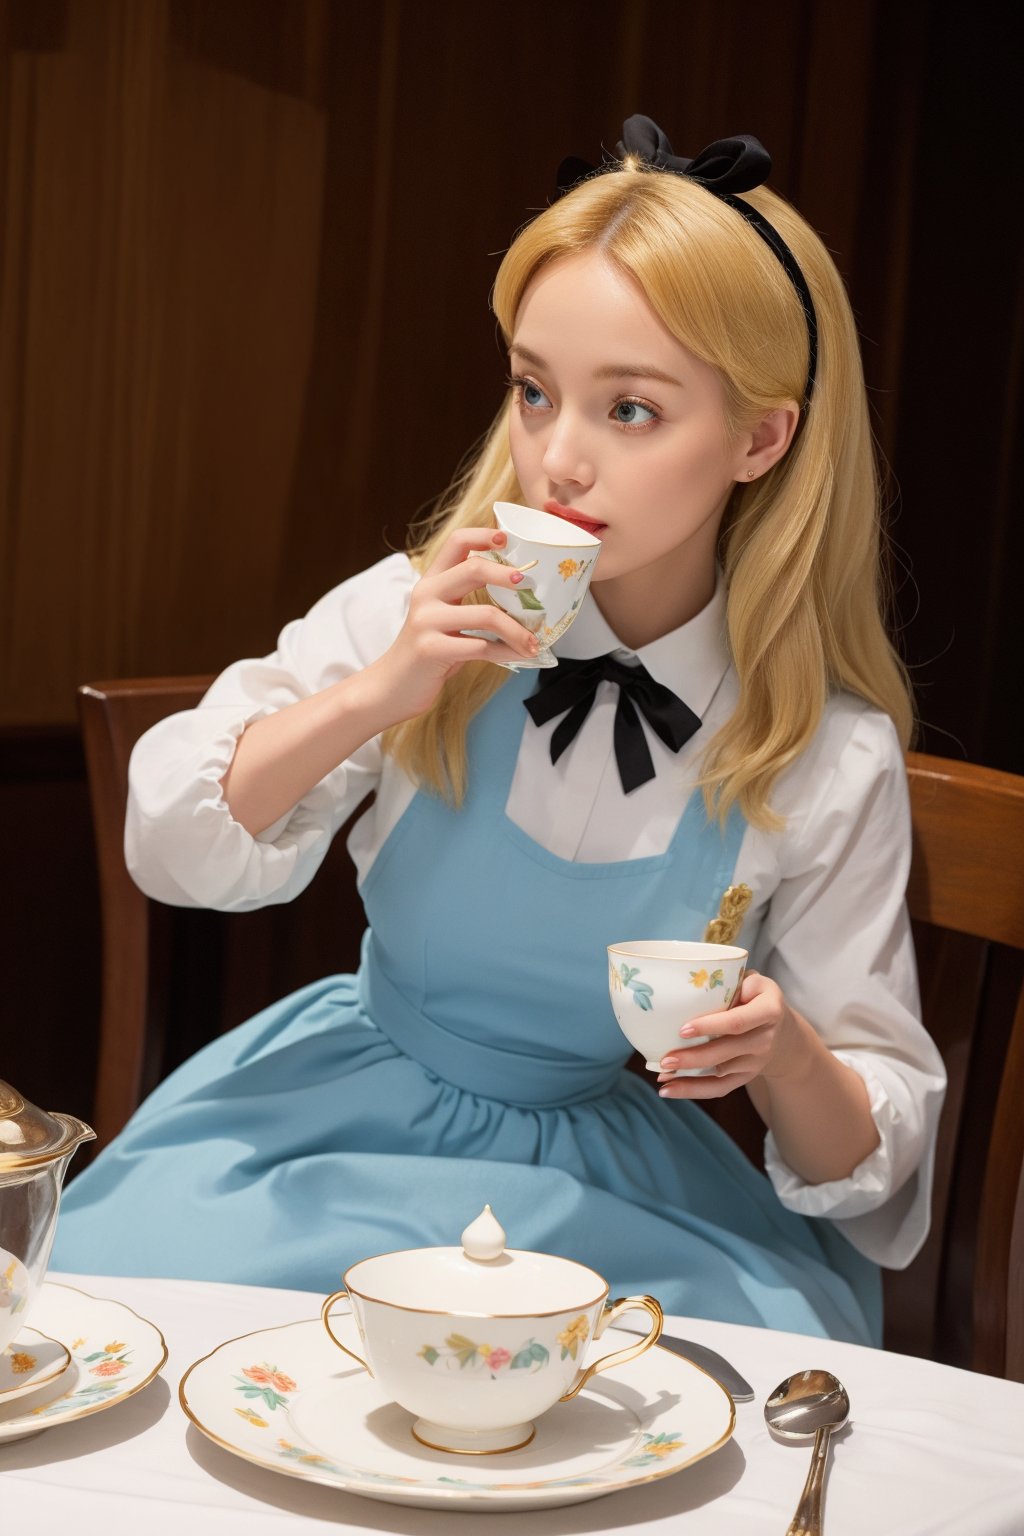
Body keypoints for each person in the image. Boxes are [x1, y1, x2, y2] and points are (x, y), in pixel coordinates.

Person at [54, 118, 945, 1346]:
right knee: (128, 1339)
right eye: (533, 391)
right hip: (326, 1143)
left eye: (629, 410)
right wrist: (379, 694)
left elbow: (873, 1162)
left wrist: (785, 1053)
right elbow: (173, 848)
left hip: (619, 1206)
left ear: (759, 438)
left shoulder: (825, 754)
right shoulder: (411, 610)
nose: (556, 460)